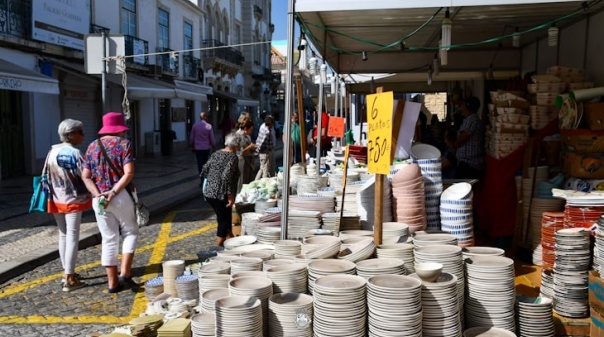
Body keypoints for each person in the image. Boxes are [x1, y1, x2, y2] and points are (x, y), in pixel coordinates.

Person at [82, 112, 139, 294]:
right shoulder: (124, 144)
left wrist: (99, 194)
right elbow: (128, 173)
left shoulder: (91, 146)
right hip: (120, 195)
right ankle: (125, 274)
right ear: (120, 129)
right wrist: (113, 192)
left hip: (99, 199)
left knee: (109, 238)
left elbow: (86, 176)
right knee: (130, 232)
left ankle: (112, 284)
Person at [46, 119, 92, 292]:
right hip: (73, 199)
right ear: (71, 134)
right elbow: (85, 175)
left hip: (56, 198)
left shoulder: (52, 151)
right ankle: (70, 278)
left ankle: (66, 272)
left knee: (63, 235)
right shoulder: (74, 153)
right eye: (80, 132)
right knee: (72, 235)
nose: (83, 135)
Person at [201, 132, 246, 246]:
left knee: (225, 217)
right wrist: (230, 196)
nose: (240, 148)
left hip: (209, 192)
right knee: (224, 221)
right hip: (221, 195)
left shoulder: (216, 154)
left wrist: (212, 179)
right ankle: (218, 247)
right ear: (235, 145)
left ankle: (231, 242)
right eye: (239, 145)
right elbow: (226, 177)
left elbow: (204, 169)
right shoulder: (232, 157)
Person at [454, 96, 485, 180]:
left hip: (469, 164)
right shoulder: (470, 119)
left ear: (467, 107)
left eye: (463, 106)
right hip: (467, 164)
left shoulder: (472, 120)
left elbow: (464, 137)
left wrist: (455, 146)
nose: (461, 108)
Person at [190, 112, 216, 179]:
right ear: (205, 117)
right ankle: (204, 177)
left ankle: (201, 176)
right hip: (206, 148)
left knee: (199, 163)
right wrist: (213, 147)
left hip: (198, 148)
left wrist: (192, 146)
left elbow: (192, 138)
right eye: (207, 117)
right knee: (205, 163)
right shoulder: (209, 126)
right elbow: (212, 139)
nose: (208, 118)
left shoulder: (195, 126)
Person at [237, 119, 256, 192]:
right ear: (245, 129)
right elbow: (239, 153)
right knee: (242, 181)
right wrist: (249, 147)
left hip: (249, 161)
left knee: (249, 182)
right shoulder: (239, 136)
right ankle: (240, 198)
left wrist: (252, 148)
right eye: (250, 129)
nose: (251, 131)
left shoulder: (247, 136)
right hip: (242, 161)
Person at [255, 115, 275, 179]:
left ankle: (256, 181)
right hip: (265, 152)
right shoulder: (267, 132)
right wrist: (268, 150)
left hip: (262, 153)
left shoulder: (263, 129)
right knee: (265, 169)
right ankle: (264, 181)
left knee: (262, 168)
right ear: (270, 124)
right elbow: (262, 143)